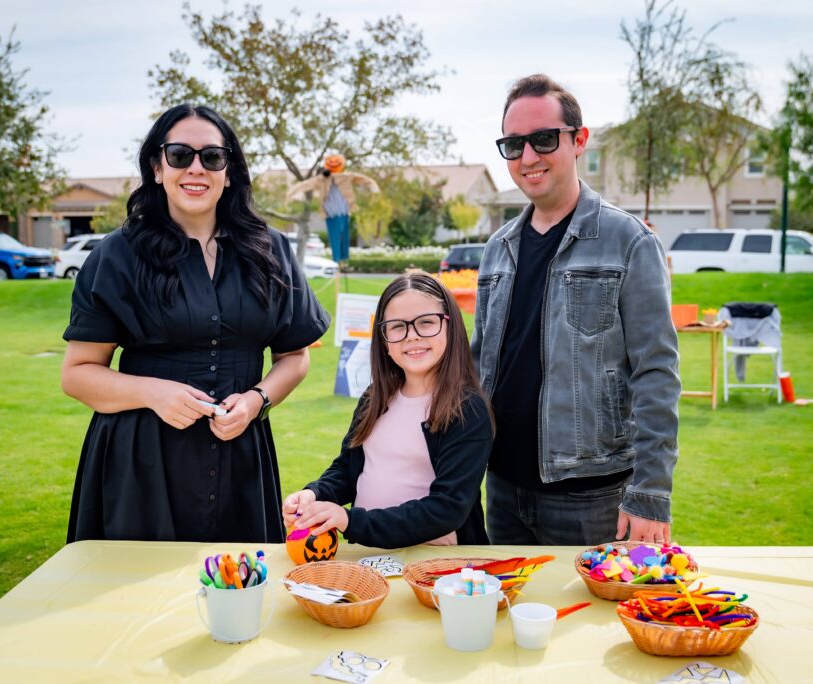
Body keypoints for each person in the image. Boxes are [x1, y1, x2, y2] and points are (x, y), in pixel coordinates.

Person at [61, 104, 330, 543]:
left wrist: (257, 400)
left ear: (230, 170)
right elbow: (77, 375)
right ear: (156, 167)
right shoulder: (118, 255)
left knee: (239, 599)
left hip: (241, 456)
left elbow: (294, 357)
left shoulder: (271, 250)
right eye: (180, 155)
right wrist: (153, 393)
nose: (196, 169)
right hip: (141, 465)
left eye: (212, 157)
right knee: (137, 606)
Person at [472, 74, 680, 546]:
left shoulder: (630, 242)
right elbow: (475, 368)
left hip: (592, 498)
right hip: (501, 490)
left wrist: (649, 494)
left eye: (544, 139)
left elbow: (657, 373)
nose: (528, 157)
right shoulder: (496, 249)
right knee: (505, 620)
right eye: (513, 144)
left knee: (593, 622)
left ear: (578, 140)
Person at [283, 271, 492, 548]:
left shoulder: (466, 410)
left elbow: (448, 507)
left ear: (450, 326)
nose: (412, 336)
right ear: (384, 339)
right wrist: (315, 493)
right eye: (397, 326)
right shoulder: (375, 398)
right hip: (369, 557)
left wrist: (351, 521)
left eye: (426, 323)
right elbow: (348, 468)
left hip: (432, 564)